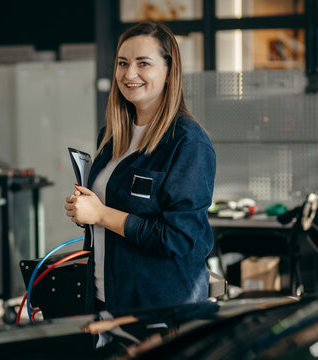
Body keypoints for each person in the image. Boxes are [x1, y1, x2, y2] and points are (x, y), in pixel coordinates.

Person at [65, 21, 216, 314]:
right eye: (123, 63)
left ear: (170, 72)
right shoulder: (111, 136)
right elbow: (114, 209)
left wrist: (101, 213)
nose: (129, 74)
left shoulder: (187, 144)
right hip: (105, 298)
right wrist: (85, 211)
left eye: (143, 63)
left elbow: (179, 238)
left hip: (160, 310)